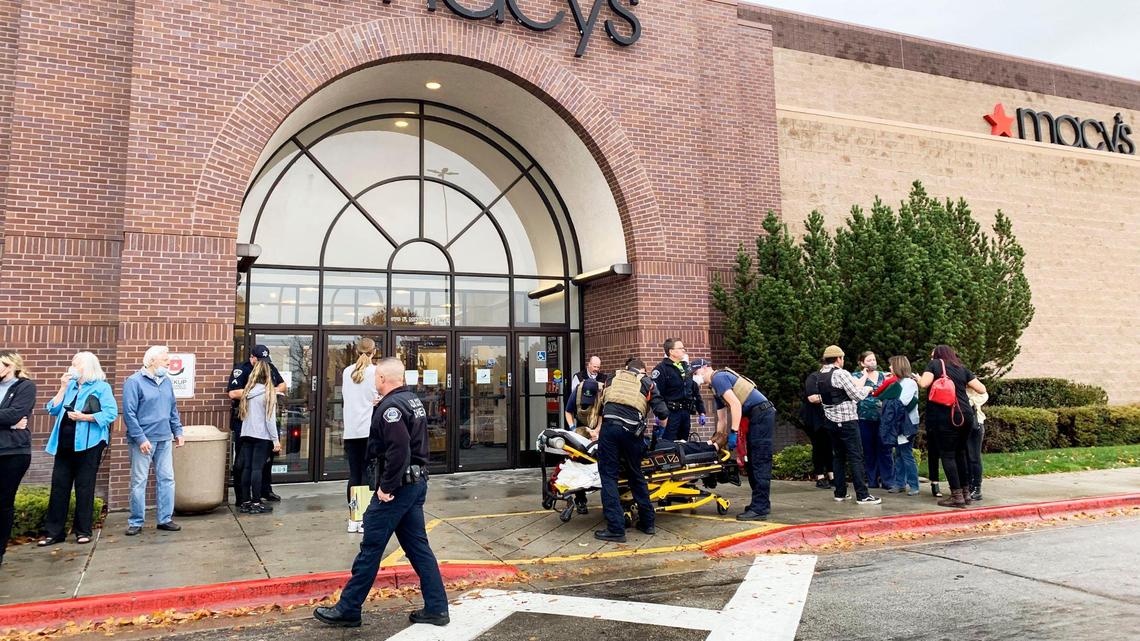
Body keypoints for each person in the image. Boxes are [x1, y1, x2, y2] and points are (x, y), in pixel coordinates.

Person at [314, 358, 448, 629]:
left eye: (376, 377)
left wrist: (386, 487)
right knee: (418, 548)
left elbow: (399, 451)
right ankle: (436, 608)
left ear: (383, 379)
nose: (375, 381)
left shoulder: (391, 408)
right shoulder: (410, 400)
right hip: (414, 484)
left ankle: (348, 608)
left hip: (397, 489)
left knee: (371, 547)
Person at [39, 352, 118, 546]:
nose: (72, 367)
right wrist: (62, 387)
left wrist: (85, 417)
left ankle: (83, 531)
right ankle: (53, 532)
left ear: (88, 366)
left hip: (89, 444)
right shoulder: (71, 386)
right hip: (64, 444)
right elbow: (52, 409)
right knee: (59, 487)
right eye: (72, 364)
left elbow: (111, 413)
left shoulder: (101, 387)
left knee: (84, 487)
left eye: (77, 364)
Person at [594, 357, 669, 543]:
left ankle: (616, 529)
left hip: (610, 429)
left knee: (609, 477)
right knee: (636, 475)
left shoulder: (612, 377)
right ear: (642, 370)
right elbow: (663, 413)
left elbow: (601, 404)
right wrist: (659, 431)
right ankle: (648, 523)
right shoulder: (647, 382)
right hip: (633, 433)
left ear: (626, 368)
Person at [690, 359, 774, 521]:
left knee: (759, 461)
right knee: (752, 462)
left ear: (705, 368)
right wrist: (716, 440)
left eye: (695, 373)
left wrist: (733, 432)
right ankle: (761, 504)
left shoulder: (718, 378)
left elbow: (735, 405)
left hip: (761, 414)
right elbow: (721, 419)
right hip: (756, 416)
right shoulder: (714, 388)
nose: (695, 377)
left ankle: (760, 508)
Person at [123, 346, 185, 535]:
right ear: (151, 361)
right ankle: (136, 522)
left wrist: (178, 431)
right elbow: (129, 413)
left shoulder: (166, 382)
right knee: (139, 481)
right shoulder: (134, 382)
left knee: (167, 479)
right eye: (165, 360)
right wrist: (140, 438)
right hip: (143, 441)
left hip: (164, 438)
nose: (169, 363)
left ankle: (165, 519)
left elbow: (172, 409)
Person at [809, 345, 881, 506]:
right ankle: (862, 495)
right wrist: (868, 388)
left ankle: (840, 492)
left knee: (838, 457)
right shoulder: (841, 373)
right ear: (838, 358)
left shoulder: (820, 375)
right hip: (847, 421)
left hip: (831, 421)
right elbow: (856, 395)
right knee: (856, 457)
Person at [918, 345, 987, 509]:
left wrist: (918, 378)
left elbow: (924, 384)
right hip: (966, 415)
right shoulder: (962, 368)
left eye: (932, 355)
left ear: (937, 355)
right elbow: (981, 389)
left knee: (948, 455)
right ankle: (966, 493)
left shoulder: (934, 365)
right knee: (960, 453)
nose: (931, 358)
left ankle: (956, 496)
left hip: (945, 416)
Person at [227, 345, 286, 504]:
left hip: (261, 425)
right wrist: (263, 392)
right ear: (252, 357)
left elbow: (283, 385)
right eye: (259, 359)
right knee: (243, 463)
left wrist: (270, 390)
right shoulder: (241, 369)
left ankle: (264, 491)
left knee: (265, 461)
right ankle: (243, 497)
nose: (262, 363)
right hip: (244, 421)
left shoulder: (269, 368)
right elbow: (233, 393)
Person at [0, 352, 36, 565]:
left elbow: (16, 413)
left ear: (10, 365)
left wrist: (11, 419)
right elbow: (10, 417)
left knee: (3, 502)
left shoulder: (25, 387)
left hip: (12, 452)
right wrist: (9, 422)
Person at [342, 338, 379, 532]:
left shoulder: (347, 372)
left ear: (356, 351)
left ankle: (353, 518)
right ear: (374, 351)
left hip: (351, 431)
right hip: (369, 430)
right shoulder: (375, 372)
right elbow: (379, 397)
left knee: (354, 474)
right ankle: (365, 517)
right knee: (368, 474)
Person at [236, 361, 281, 515]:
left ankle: (245, 502)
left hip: (247, 434)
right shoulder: (268, 393)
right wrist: (275, 440)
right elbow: (270, 420)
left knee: (247, 468)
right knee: (257, 469)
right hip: (262, 436)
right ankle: (256, 502)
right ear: (268, 374)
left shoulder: (248, 392)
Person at [872, 356, 921, 496]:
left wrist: (885, 402)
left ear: (898, 367)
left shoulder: (909, 383)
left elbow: (902, 402)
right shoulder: (898, 382)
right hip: (897, 423)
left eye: (892, 366)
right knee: (899, 454)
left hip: (906, 424)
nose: (889, 368)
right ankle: (900, 483)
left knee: (906, 454)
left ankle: (913, 485)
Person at [852, 352, 892, 490]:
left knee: (884, 449)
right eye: (869, 360)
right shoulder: (856, 376)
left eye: (874, 359)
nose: (872, 362)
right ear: (862, 363)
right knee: (868, 450)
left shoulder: (883, 375)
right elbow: (856, 389)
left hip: (883, 418)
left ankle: (888, 481)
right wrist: (864, 374)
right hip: (864, 418)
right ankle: (872, 480)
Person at [652, 338, 693, 442]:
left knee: (683, 443)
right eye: (680, 348)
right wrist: (660, 414)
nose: (683, 350)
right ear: (671, 351)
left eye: (683, 348)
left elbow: (692, 388)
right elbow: (657, 394)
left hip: (685, 412)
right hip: (671, 413)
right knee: (669, 444)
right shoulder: (661, 369)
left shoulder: (686, 367)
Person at [800, 365, 833, 489]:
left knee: (829, 446)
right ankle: (820, 476)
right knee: (819, 446)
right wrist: (832, 395)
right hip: (814, 419)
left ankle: (832, 475)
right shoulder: (813, 377)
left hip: (829, 418)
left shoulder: (834, 377)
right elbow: (812, 398)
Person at [966, 387, 989, 501]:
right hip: (964, 425)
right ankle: (968, 485)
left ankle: (976, 487)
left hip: (975, 424)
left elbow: (984, 395)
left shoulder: (974, 388)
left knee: (974, 457)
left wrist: (970, 401)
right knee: (965, 456)